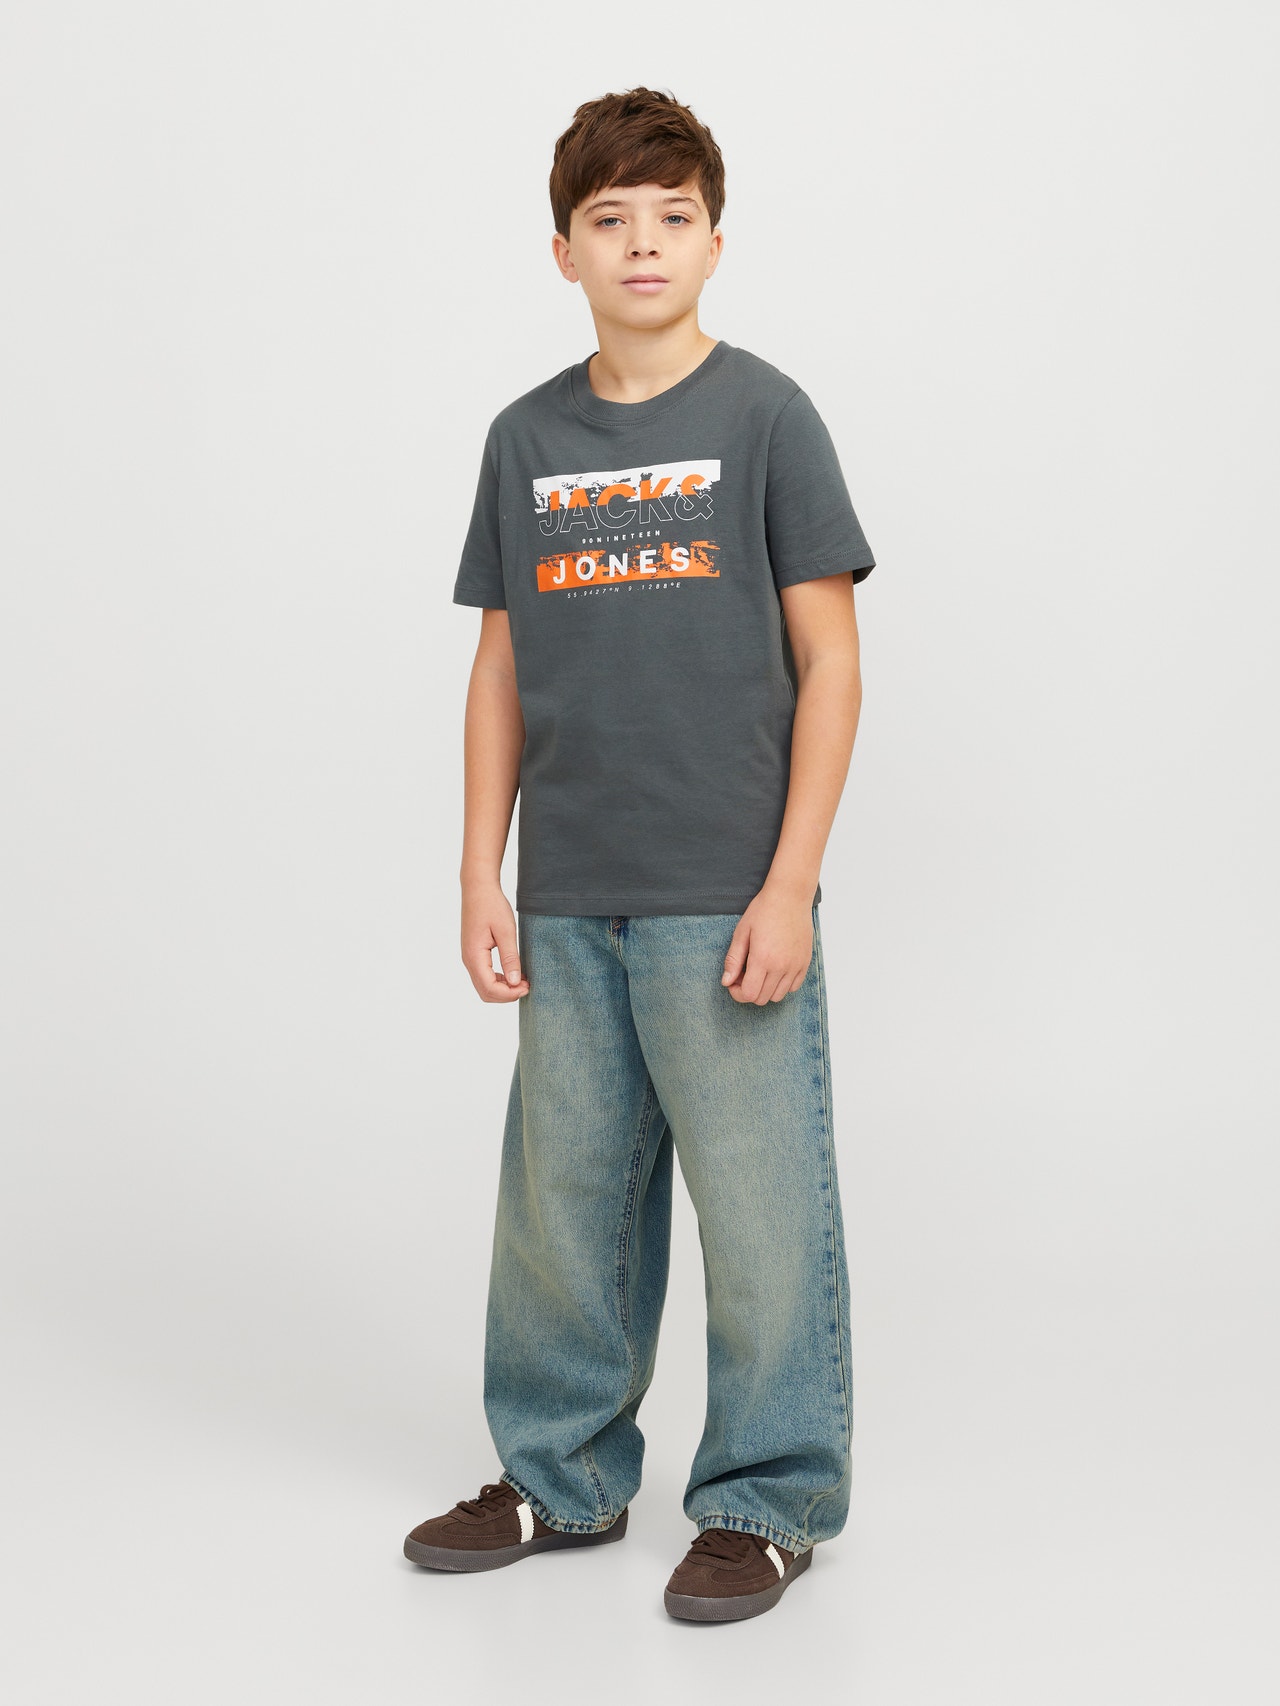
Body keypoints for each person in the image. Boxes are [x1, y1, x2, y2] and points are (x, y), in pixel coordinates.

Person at [403, 85, 877, 1624]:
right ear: (565, 252)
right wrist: (480, 872)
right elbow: (499, 669)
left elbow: (833, 661)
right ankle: (560, 1474)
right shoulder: (525, 439)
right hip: (570, 896)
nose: (644, 242)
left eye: (673, 215)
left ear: (717, 240)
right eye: (610, 219)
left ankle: (768, 1499)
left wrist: (790, 881)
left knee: (761, 1211)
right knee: (565, 1207)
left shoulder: (767, 420)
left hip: (722, 895)